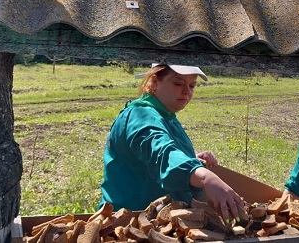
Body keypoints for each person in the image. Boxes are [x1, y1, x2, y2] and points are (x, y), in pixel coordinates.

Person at [98, 63, 245, 222]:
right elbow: (161, 153)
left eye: (192, 85)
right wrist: (205, 177)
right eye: (178, 83)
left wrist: (191, 159)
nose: (187, 91)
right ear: (155, 82)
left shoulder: (166, 116)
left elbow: (150, 156)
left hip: (158, 218)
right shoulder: (140, 117)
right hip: (128, 222)